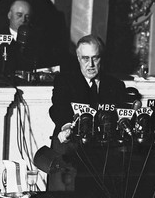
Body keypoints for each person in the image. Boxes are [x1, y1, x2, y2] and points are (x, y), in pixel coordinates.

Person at [48, 34, 127, 193]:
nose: (90, 64)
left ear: (101, 58)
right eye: (85, 58)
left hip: (103, 152)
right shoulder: (64, 80)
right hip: (72, 149)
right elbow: (58, 107)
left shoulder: (116, 85)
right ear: (78, 58)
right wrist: (66, 126)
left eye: (95, 58)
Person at [0, 0, 37, 78]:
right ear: (9, 15)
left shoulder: (36, 39)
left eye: (27, 16)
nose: (23, 20)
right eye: (19, 15)